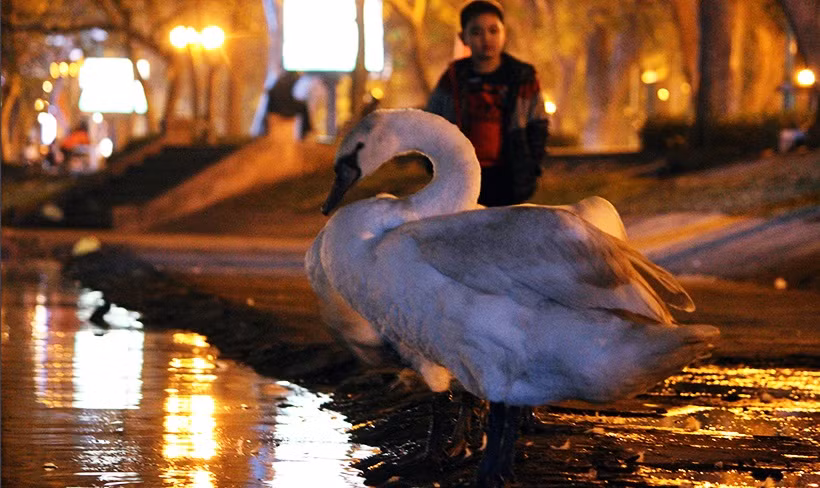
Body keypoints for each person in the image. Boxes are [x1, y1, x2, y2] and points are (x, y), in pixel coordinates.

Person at [425, 0, 549, 206]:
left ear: (504, 33)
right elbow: (433, 123)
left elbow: (538, 124)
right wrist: (434, 166)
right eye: (476, 32)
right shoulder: (453, 78)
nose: (486, 39)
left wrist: (531, 167)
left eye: (493, 30)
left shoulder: (522, 77)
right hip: (463, 176)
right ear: (463, 37)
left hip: (508, 177)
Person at [266, 71, 313, 140]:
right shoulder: (298, 80)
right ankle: (305, 133)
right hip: (291, 114)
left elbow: (270, 95)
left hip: (277, 113)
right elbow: (300, 97)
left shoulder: (278, 80)